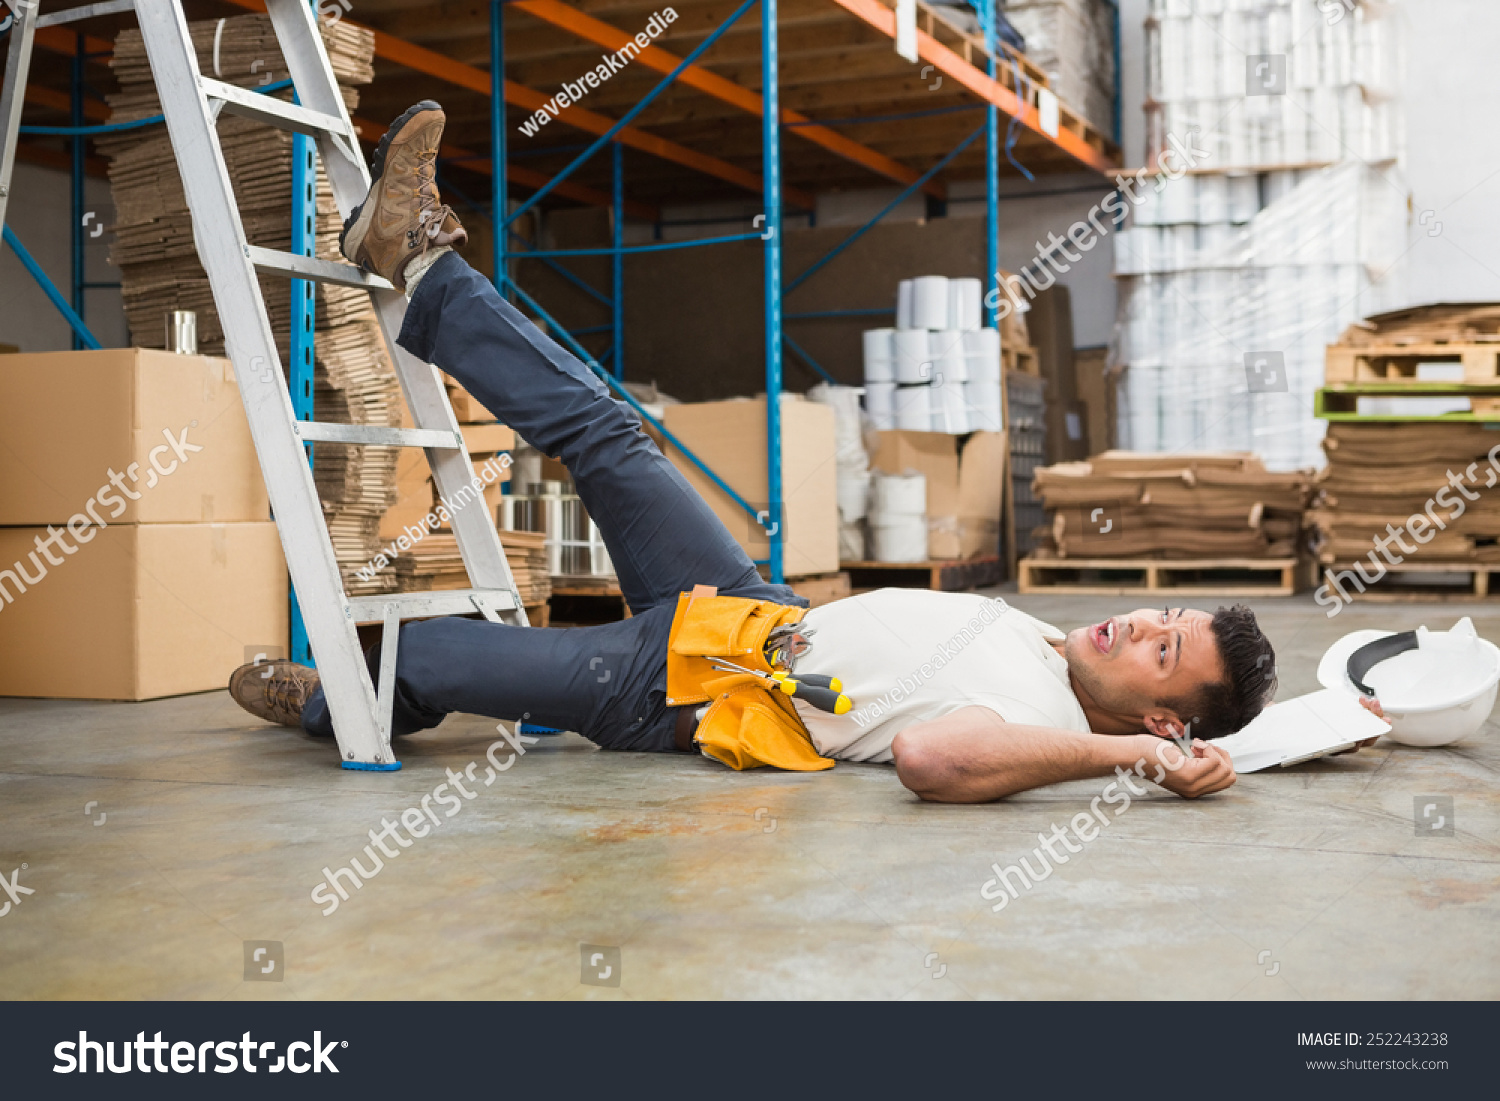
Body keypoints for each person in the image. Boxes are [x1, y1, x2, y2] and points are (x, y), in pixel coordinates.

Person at [228, 102, 1289, 804]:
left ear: (1158, 717)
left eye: (1163, 651)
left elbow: (928, 758)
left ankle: (332, 704)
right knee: (610, 432)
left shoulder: (1041, 722)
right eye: (1168, 615)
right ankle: (414, 258)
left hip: (688, 695)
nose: (1146, 622)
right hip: (753, 611)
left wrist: (1136, 758)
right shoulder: (1053, 653)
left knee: (438, 653)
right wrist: (1331, 722)